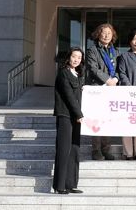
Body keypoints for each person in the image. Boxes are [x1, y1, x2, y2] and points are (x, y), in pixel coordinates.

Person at [85, 23, 119, 160]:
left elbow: (118, 68)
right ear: (98, 34)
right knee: (97, 120)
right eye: (103, 33)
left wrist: (115, 78)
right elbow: (93, 68)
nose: (106, 35)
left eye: (109, 33)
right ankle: (96, 150)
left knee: (107, 120)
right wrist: (107, 80)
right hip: (97, 89)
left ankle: (106, 150)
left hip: (111, 90)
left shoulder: (114, 51)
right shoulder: (92, 50)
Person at [53, 47, 85, 195]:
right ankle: (59, 186)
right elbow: (68, 96)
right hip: (65, 115)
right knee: (63, 150)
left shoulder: (78, 75)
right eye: (74, 56)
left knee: (74, 150)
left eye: (79, 57)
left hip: (76, 117)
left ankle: (71, 184)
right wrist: (79, 113)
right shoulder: (63, 74)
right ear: (68, 57)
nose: (76, 59)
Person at [116, 29, 136, 160]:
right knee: (127, 123)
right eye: (134, 39)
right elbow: (122, 73)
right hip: (127, 94)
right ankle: (128, 153)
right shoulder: (124, 56)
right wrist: (130, 89)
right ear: (130, 41)